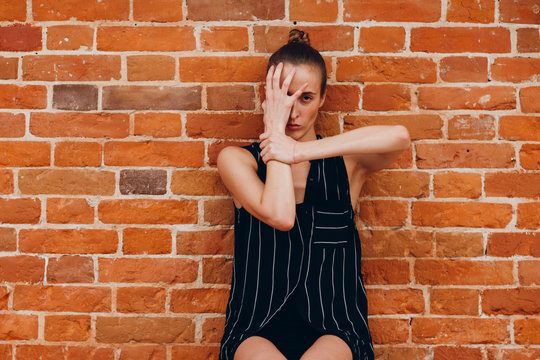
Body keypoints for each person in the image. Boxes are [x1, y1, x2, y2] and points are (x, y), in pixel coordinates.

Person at [217, 29, 410, 360]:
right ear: (268, 97)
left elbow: (399, 137)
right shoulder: (237, 160)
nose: (294, 110)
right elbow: (280, 215)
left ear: (322, 99)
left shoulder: (345, 166)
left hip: (335, 326)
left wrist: (301, 152)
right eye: (285, 96)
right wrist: (276, 136)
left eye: (305, 98)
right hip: (256, 325)